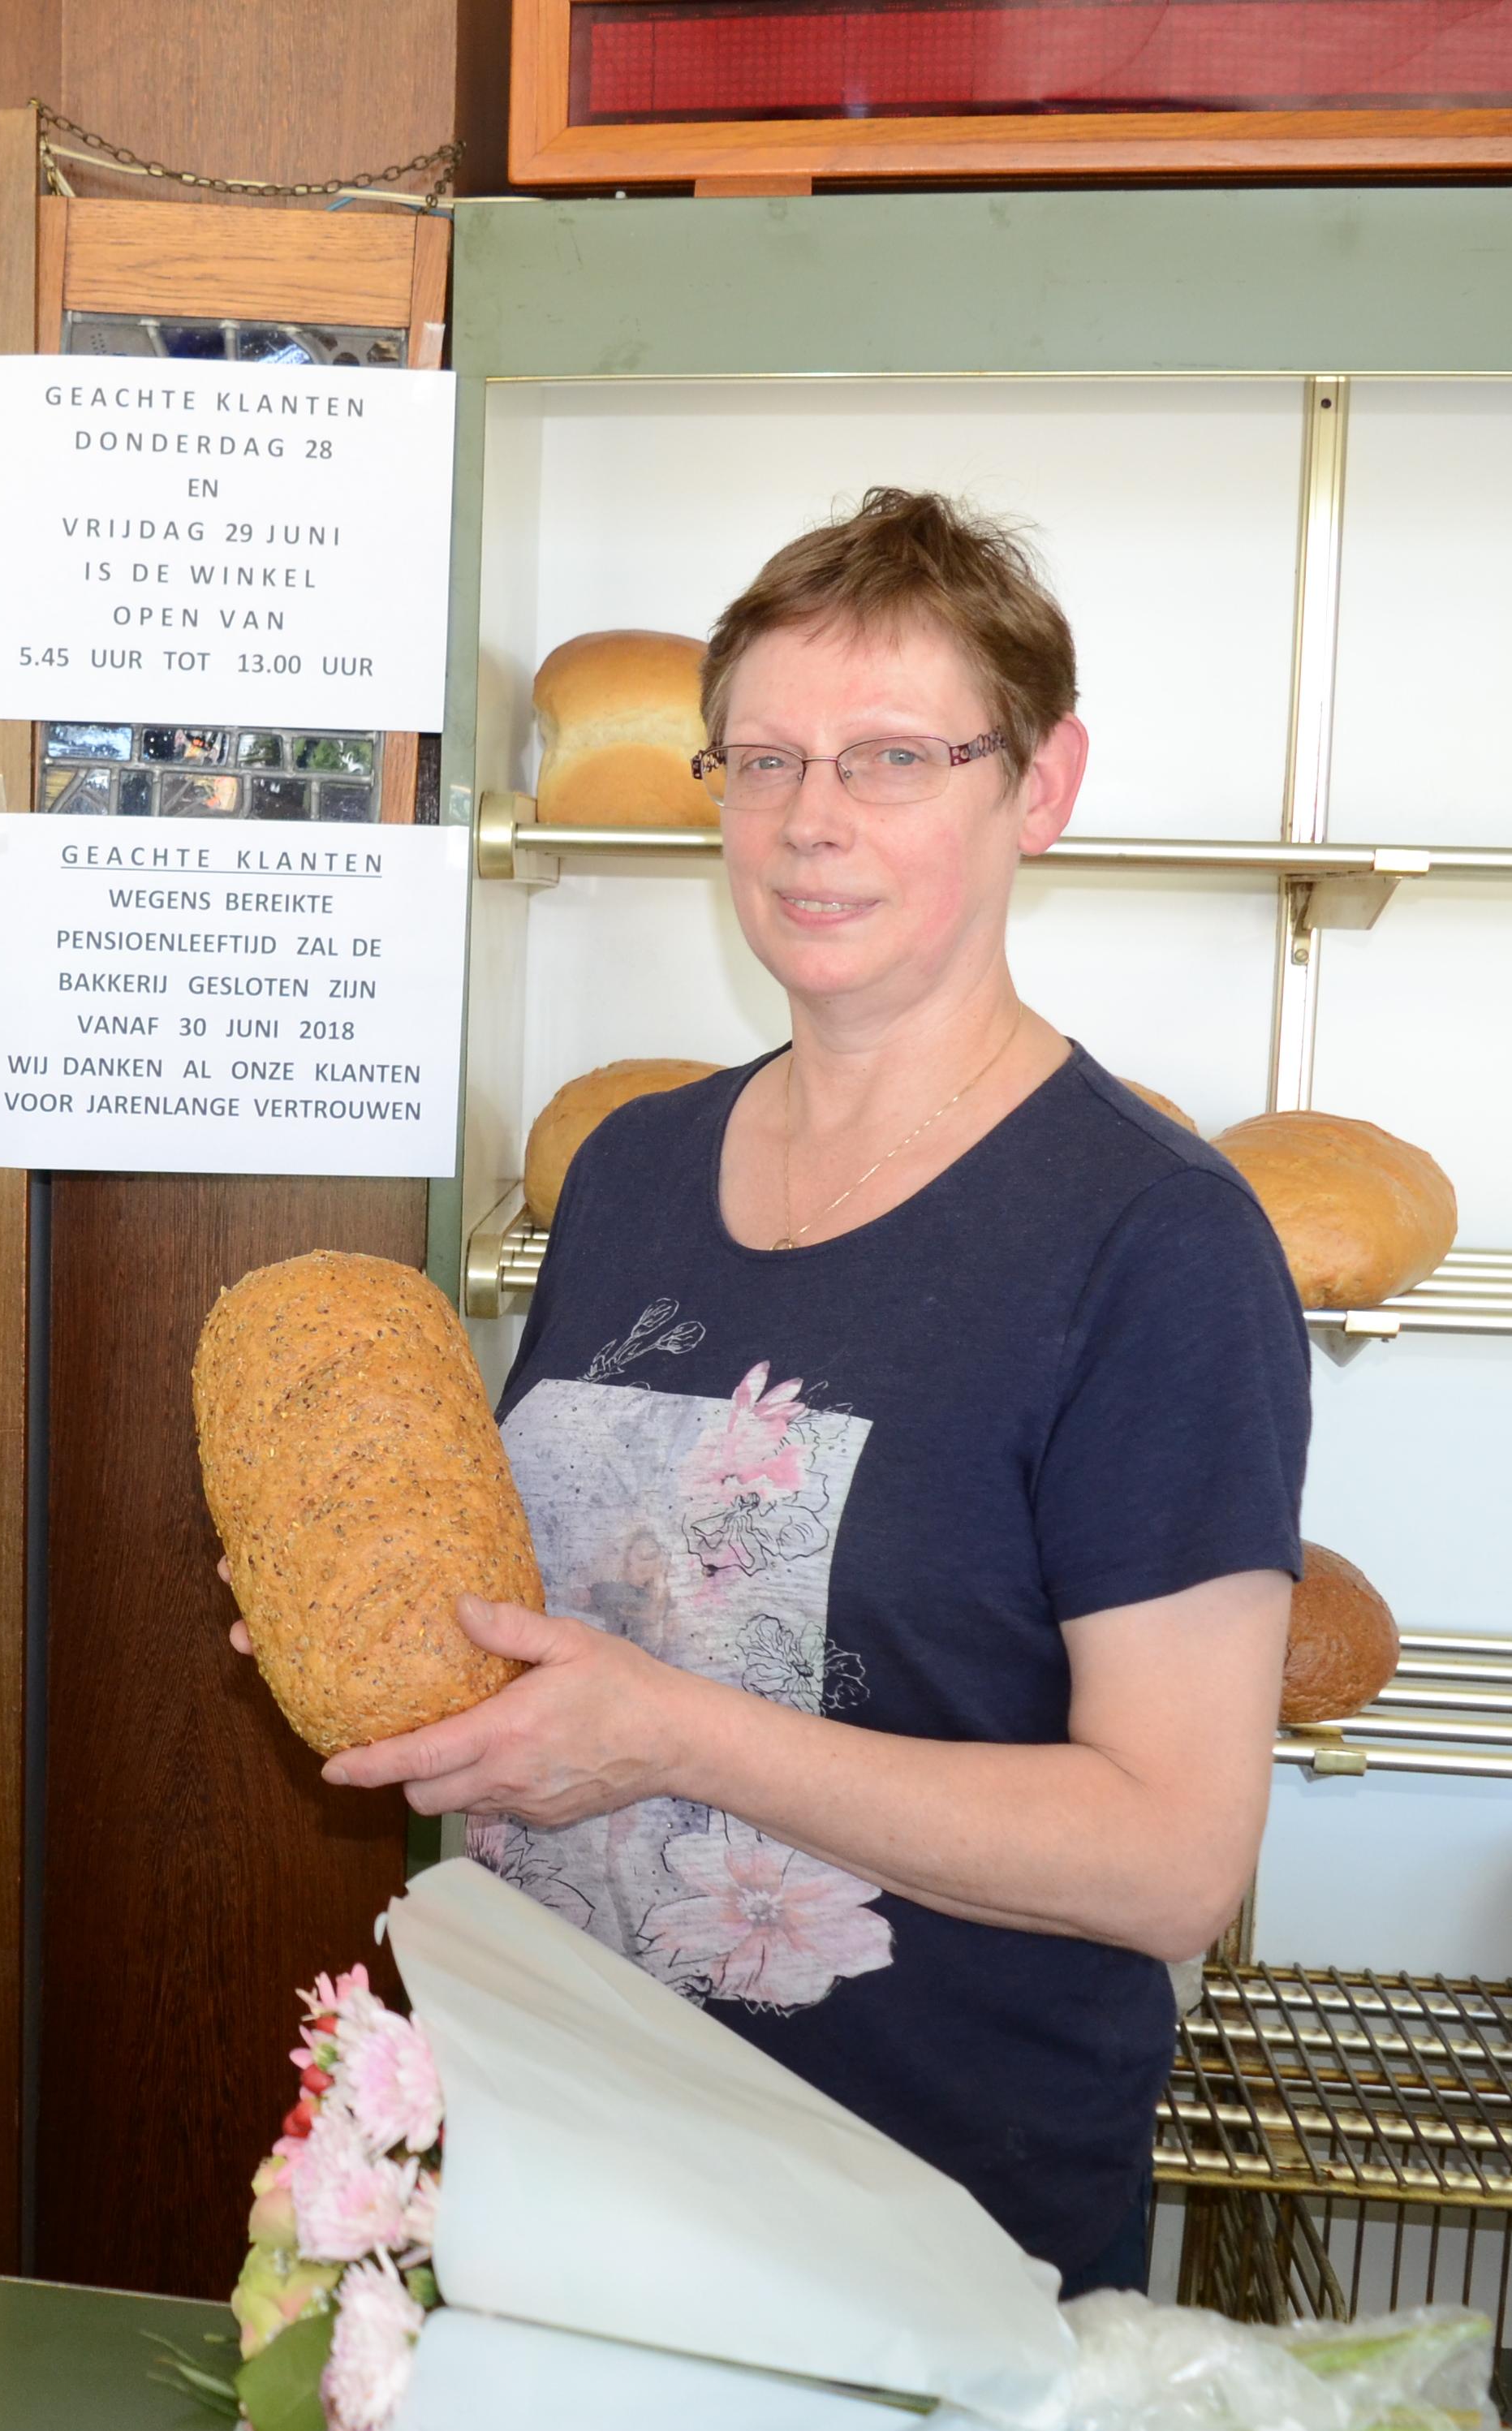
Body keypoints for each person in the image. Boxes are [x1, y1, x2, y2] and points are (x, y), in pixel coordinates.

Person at [312, 489, 1311, 2293]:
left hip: (919, 2242)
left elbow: (1174, 1858)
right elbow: (584, 1612)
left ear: (1044, 784)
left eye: (892, 758)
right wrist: (368, 1616)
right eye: (760, 759)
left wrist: (674, 1737)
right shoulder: (628, 1168)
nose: (809, 822)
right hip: (563, 2160)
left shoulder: (1153, 1243)